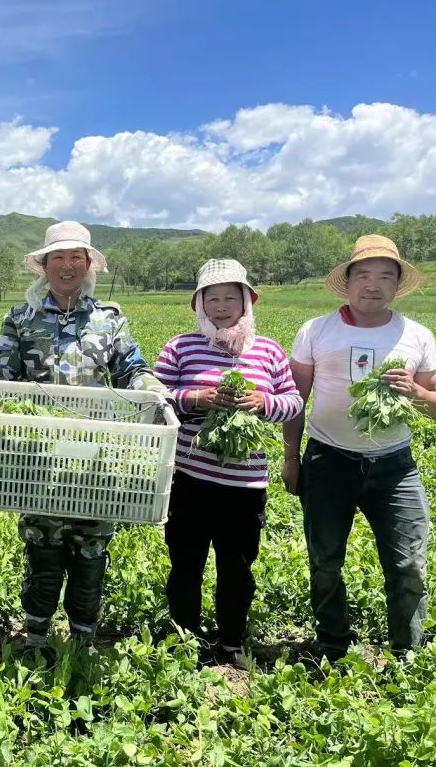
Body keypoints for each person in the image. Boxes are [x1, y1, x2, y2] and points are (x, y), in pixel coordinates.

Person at [0, 221, 168, 652]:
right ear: (43, 266)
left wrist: (153, 390)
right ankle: (36, 639)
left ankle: (82, 641)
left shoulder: (108, 319)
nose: (67, 265)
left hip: (96, 458)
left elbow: (132, 367)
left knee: (91, 551)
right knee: (43, 550)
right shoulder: (22, 318)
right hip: (38, 456)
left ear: (89, 264)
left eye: (76, 257)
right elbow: (1, 371)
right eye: (57, 257)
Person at [282, 235, 436, 661]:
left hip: (395, 467)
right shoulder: (316, 330)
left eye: (385, 277)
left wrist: (414, 392)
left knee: (408, 563)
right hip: (328, 459)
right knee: (325, 559)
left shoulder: (417, 335)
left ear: (397, 285)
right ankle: (332, 643)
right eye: (365, 275)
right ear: (348, 281)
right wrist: (291, 458)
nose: (374, 284)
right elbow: (297, 400)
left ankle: (406, 652)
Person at [154, 259, 302, 668]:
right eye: (211, 299)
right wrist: (195, 399)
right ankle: (185, 637)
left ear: (247, 302)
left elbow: (293, 402)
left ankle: (231, 640)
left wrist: (262, 402)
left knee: (237, 566)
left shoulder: (269, 350)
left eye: (230, 298)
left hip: (245, 483)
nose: (221, 307)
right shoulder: (180, 347)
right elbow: (153, 397)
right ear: (199, 305)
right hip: (188, 477)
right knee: (185, 563)